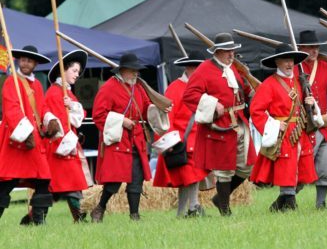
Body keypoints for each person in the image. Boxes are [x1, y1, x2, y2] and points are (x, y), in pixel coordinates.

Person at [183, 33, 257, 216]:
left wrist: (256, 92)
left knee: (247, 166)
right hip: (219, 125)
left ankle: (220, 199)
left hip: (239, 122)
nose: (231, 54)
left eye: (232, 50)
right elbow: (189, 96)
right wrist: (212, 104)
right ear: (217, 51)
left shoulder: (235, 69)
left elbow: (244, 90)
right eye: (227, 51)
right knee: (224, 169)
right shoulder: (204, 70)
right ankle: (225, 209)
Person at [90, 53, 170, 221]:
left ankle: (134, 215)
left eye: (137, 71)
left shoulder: (138, 87)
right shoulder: (108, 88)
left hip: (136, 140)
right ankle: (100, 208)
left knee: (136, 180)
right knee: (113, 182)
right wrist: (121, 121)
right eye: (133, 70)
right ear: (123, 70)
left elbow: (146, 107)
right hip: (118, 142)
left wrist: (159, 109)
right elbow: (99, 115)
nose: (136, 74)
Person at [249, 43, 320, 211]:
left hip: (299, 131)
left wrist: (310, 103)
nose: (290, 64)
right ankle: (289, 204)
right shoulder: (269, 84)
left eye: (291, 61)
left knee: (302, 173)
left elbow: (302, 107)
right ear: (277, 63)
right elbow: (255, 110)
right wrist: (273, 124)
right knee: (286, 170)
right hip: (283, 133)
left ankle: (280, 203)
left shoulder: (299, 81)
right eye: (285, 61)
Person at [0, 45, 60, 225]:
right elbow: (11, 110)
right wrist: (26, 133)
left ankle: (37, 219)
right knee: (7, 183)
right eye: (23, 60)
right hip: (17, 139)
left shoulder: (38, 84)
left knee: (44, 178)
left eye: (30, 61)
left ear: (35, 63)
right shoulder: (12, 82)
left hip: (35, 141)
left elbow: (42, 109)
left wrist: (50, 120)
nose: (25, 63)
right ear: (19, 61)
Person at [153, 51, 209, 218]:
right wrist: (169, 143)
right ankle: (192, 208)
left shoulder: (201, 88)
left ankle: (186, 211)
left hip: (198, 140)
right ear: (190, 69)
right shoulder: (174, 89)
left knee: (191, 178)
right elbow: (167, 118)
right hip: (180, 142)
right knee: (188, 177)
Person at [296, 30, 327, 209]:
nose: (314, 50)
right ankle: (287, 199)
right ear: (301, 48)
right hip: (303, 125)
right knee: (300, 167)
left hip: (323, 124)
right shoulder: (296, 67)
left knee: (326, 167)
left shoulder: (324, 66)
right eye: (310, 47)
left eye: (316, 47)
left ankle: (321, 203)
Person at [44, 50, 91, 223]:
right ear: (63, 71)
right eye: (74, 71)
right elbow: (55, 121)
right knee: (60, 185)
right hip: (58, 147)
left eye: (78, 72)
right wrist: (67, 143)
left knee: (67, 184)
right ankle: (35, 217)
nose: (77, 75)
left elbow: (81, 114)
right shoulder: (53, 92)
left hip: (68, 145)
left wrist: (71, 104)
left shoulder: (67, 93)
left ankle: (77, 217)